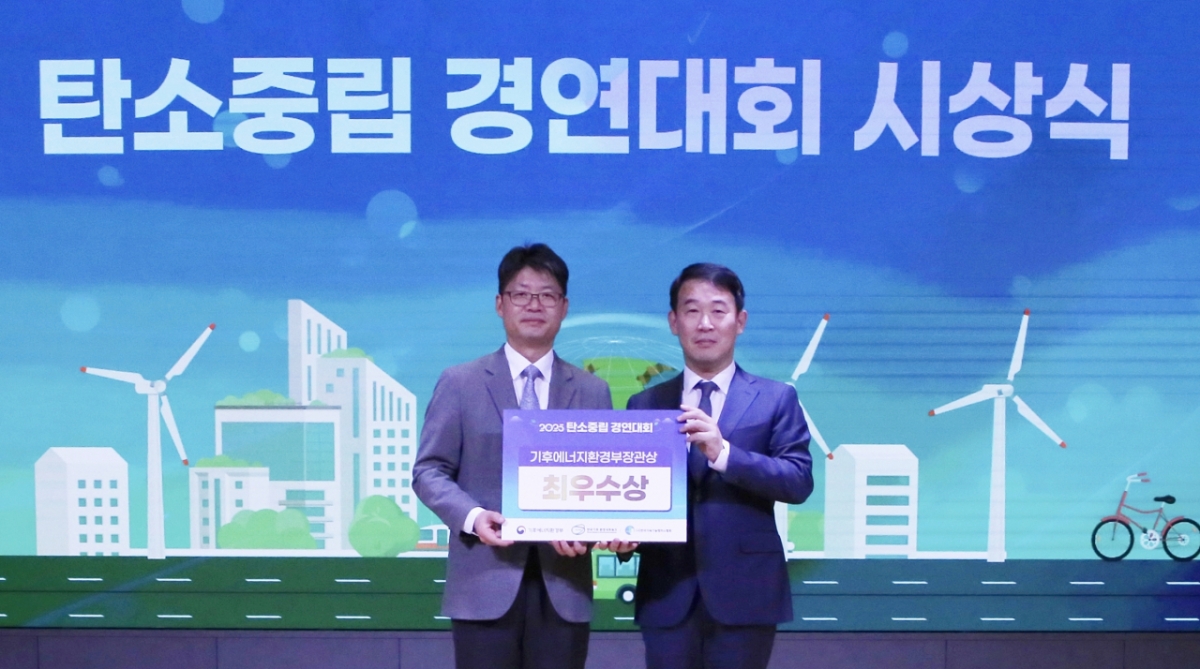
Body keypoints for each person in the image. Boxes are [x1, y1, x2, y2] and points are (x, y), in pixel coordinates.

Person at [413, 243, 613, 669]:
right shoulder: (460, 383)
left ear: (564, 307)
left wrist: (590, 528)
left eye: (547, 295)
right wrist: (473, 517)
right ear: (500, 304)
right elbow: (429, 470)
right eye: (521, 294)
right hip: (483, 582)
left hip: (564, 587)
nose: (534, 305)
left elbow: (602, 482)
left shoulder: (592, 391)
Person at [608, 262, 813, 669]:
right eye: (692, 310)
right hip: (666, 594)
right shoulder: (644, 404)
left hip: (747, 593)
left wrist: (724, 454)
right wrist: (626, 536)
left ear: (740, 321)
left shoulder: (776, 398)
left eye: (718, 311)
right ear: (673, 321)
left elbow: (798, 480)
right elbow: (636, 495)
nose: (705, 323)